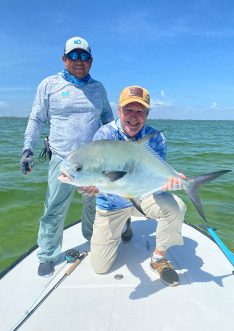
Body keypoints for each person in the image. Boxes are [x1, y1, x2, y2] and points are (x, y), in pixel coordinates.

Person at [20, 36, 114, 277]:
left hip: (94, 161)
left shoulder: (98, 88)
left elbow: (108, 122)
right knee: (54, 207)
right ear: (64, 59)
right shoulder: (49, 85)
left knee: (93, 204)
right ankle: (48, 253)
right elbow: (37, 119)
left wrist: (118, 153)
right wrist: (27, 149)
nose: (78, 61)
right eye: (73, 56)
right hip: (61, 159)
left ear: (91, 61)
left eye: (83, 56)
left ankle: (94, 240)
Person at [82, 86, 186, 287]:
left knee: (177, 207)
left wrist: (170, 182)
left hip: (142, 196)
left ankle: (158, 258)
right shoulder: (104, 135)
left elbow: (154, 177)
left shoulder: (156, 138)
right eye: (128, 110)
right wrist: (92, 186)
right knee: (100, 267)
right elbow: (92, 172)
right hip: (111, 204)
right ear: (119, 110)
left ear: (147, 114)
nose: (133, 117)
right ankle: (124, 223)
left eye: (140, 112)